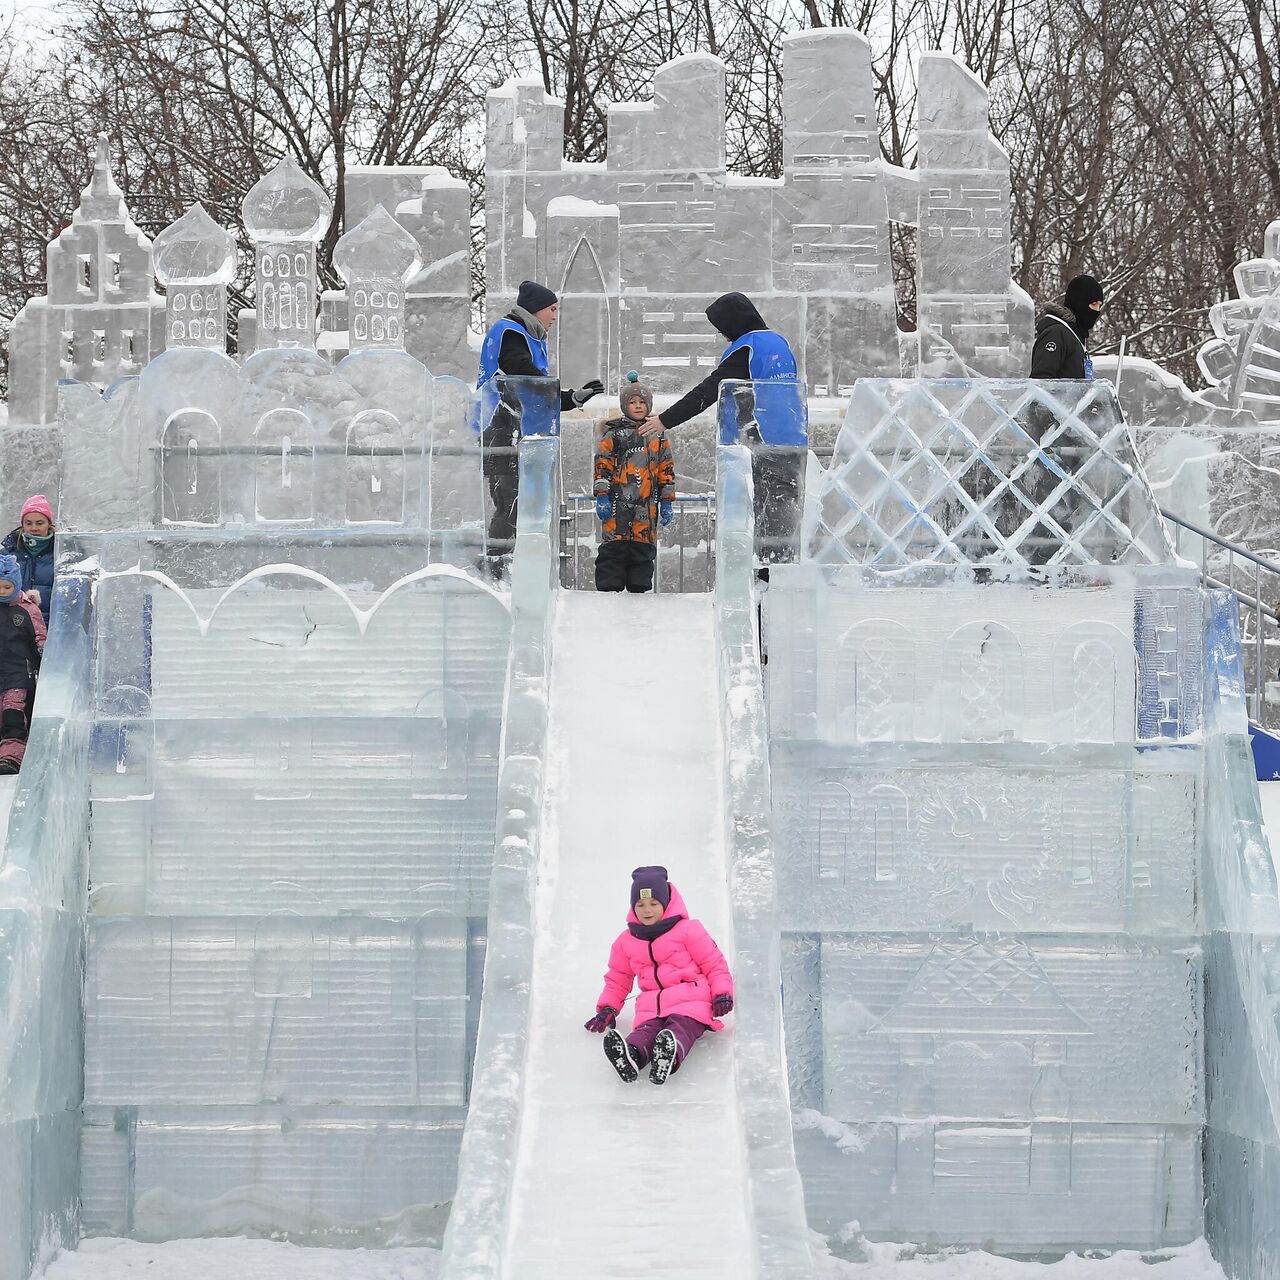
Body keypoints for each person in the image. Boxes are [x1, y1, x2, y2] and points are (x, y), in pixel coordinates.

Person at [639, 293, 805, 562]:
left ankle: (768, 577)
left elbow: (708, 390)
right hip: (793, 437)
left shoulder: (747, 348)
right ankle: (783, 571)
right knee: (786, 511)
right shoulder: (778, 341)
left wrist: (664, 420)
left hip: (765, 442)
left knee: (768, 515)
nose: (721, 334)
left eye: (721, 327)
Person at [476, 280, 604, 576]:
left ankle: (505, 563)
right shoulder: (511, 332)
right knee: (509, 499)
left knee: (517, 499)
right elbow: (524, 375)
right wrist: (563, 394)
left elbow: (532, 391)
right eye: (552, 309)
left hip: (515, 426)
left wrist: (570, 399)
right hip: (501, 427)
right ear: (535, 309)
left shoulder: (527, 336)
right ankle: (497, 566)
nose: (555, 316)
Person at [584, 866, 734, 1085]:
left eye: (654, 903)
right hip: (652, 1006)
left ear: (666, 904)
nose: (647, 910)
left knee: (680, 1026)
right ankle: (631, 1055)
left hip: (691, 1001)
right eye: (640, 904)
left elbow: (714, 963)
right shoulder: (626, 942)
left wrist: (722, 993)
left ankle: (668, 1057)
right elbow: (618, 978)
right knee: (647, 1030)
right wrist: (607, 1008)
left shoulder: (689, 930)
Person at [593, 373, 675, 594]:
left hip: (647, 505)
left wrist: (667, 500)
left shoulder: (658, 435)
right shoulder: (615, 434)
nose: (638, 406)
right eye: (632, 402)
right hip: (617, 503)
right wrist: (601, 494)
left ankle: (639, 589)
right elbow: (603, 464)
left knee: (642, 549)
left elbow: (666, 469)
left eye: (642, 402)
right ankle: (610, 588)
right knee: (614, 547)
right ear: (624, 405)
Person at [0, 553, 46, 775]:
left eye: (6, 587)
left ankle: (11, 756)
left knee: (13, 713)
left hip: (19, 672)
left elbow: (39, 634)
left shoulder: (27, 609)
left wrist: (42, 650)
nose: (2, 591)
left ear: (16, 584)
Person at [1031, 274, 1105, 380]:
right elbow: (1041, 380)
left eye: (1099, 305)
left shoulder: (1075, 337)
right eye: (1093, 304)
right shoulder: (1056, 334)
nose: (1097, 310)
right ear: (1079, 302)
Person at [2, 495, 56, 628]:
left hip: (50, 628)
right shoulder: (7, 552)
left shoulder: (63, 552)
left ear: (49, 523)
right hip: (13, 630)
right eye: (28, 523)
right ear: (22, 524)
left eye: (39, 523)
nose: (34, 528)